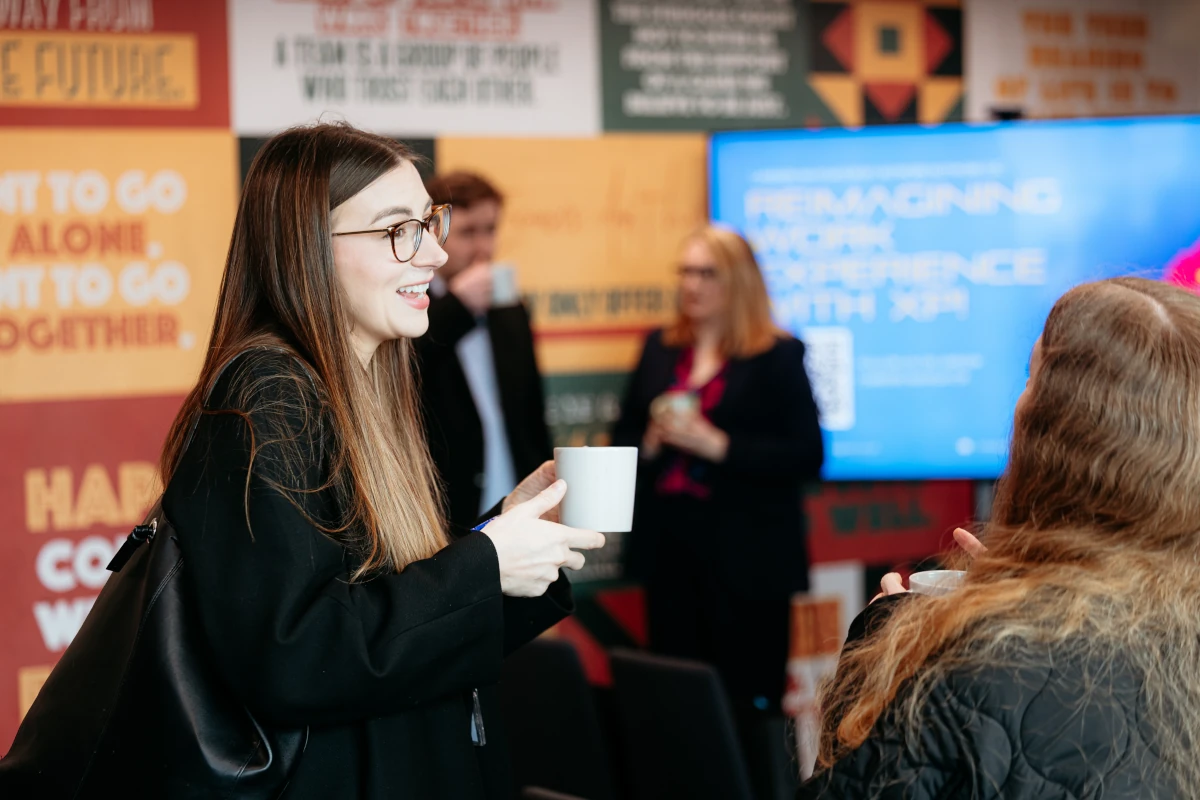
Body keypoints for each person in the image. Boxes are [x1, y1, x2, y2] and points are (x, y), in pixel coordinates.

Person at [14, 124, 603, 799]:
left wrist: (506, 532)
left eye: (429, 222)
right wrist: (488, 561)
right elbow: (299, 654)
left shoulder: (360, 385)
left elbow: (394, 625)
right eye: (398, 230)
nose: (436, 253)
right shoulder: (268, 398)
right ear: (308, 249)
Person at [801, 277, 1200, 798]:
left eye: (1031, 377)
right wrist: (1024, 594)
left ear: (1059, 439)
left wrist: (884, 650)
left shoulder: (963, 674)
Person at [612, 224, 824, 794]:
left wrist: (719, 446)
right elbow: (625, 435)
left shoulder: (776, 355)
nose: (691, 284)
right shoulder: (661, 347)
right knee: (678, 695)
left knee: (748, 701)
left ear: (737, 282)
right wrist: (653, 441)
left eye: (706, 273)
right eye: (685, 271)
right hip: (673, 553)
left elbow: (808, 454)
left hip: (748, 562)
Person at [416, 171, 552, 530]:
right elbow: (407, 370)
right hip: (443, 506)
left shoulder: (509, 307)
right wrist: (457, 305)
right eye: (468, 232)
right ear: (434, 231)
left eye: (490, 230)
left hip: (515, 497)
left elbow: (531, 412)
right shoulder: (411, 305)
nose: (483, 248)